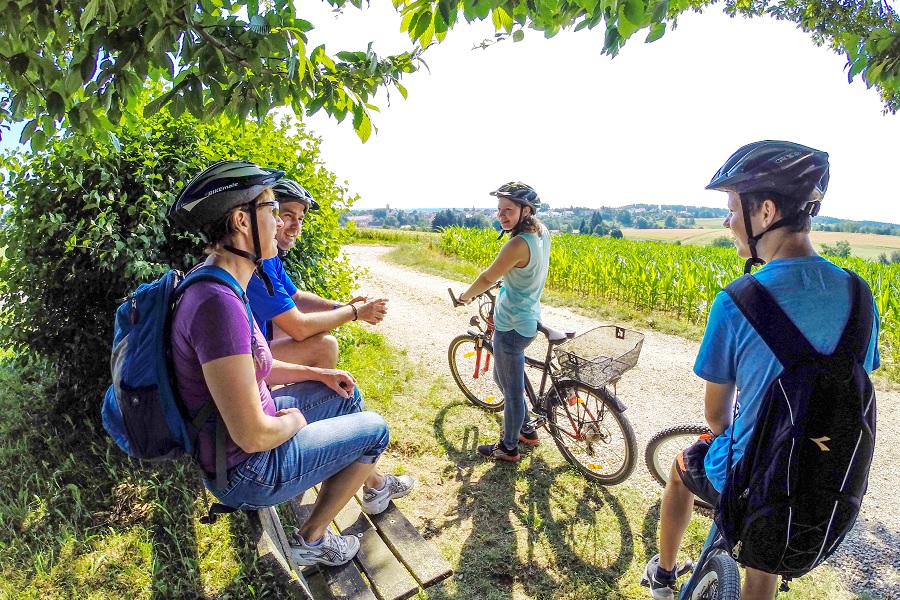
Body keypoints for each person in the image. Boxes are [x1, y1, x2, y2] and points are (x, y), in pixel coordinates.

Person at [643, 141, 880, 600]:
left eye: (732, 208)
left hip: (754, 479)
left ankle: (664, 576)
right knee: (760, 566)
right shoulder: (860, 295)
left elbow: (717, 418)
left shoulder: (737, 300)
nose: (728, 221)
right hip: (825, 481)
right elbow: (848, 381)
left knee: (679, 469)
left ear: (765, 211)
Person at [167, 160, 413, 567]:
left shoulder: (222, 282)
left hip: (236, 443)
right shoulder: (218, 304)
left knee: (347, 394)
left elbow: (252, 371)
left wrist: (318, 374)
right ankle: (310, 541)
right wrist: (297, 420)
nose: (281, 222)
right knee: (376, 430)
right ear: (243, 220)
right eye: (272, 209)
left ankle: (358, 483)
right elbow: (253, 436)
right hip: (246, 470)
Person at [245, 178, 387, 369]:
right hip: (243, 359)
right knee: (325, 346)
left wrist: (341, 307)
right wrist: (354, 312)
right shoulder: (257, 264)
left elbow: (296, 297)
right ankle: (316, 398)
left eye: (301, 219)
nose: (296, 226)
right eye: (288, 215)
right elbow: (299, 327)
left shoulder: (269, 259)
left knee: (313, 329)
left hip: (251, 345)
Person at [457, 182, 551, 462]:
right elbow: (524, 270)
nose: (501, 215)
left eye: (508, 210)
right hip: (528, 315)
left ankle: (508, 447)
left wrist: (464, 297)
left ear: (526, 210)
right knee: (501, 376)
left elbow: (487, 277)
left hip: (512, 325)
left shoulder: (517, 244)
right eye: (499, 209)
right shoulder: (541, 232)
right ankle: (525, 429)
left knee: (511, 392)